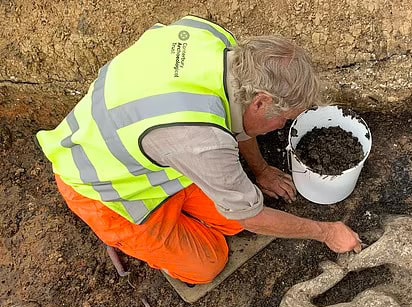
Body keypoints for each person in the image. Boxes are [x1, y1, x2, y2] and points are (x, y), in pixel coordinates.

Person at [36, 15, 361, 285]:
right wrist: (325, 231)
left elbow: (237, 115)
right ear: (262, 102)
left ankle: (177, 222)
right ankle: (126, 240)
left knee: (231, 221)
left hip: (150, 152)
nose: (281, 128)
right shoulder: (203, 141)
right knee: (208, 263)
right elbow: (250, 216)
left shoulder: (217, 42)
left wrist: (261, 171)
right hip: (106, 190)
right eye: (284, 119)